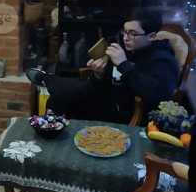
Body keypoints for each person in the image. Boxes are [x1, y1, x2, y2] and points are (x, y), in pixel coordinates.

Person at [28, 10, 180, 124]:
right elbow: (110, 81)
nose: (126, 38)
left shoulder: (163, 61)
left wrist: (124, 64)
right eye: (125, 31)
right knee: (58, 98)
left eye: (133, 34)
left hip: (126, 112)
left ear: (151, 36)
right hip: (109, 97)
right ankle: (48, 85)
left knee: (63, 95)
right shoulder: (130, 49)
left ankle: (47, 80)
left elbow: (158, 95)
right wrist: (99, 74)